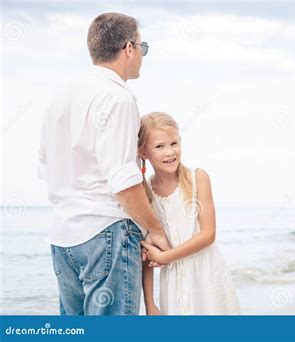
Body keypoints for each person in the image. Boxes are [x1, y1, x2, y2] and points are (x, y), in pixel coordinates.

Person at [37, 13, 170, 315]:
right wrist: (156, 229)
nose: (141, 56)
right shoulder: (118, 98)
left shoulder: (59, 96)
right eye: (142, 47)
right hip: (106, 231)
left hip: (63, 237)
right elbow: (123, 182)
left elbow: (46, 165)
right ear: (128, 48)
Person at [138, 112, 240, 315]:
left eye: (174, 143)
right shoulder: (146, 191)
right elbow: (147, 253)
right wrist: (150, 303)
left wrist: (166, 257)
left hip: (206, 275)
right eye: (159, 146)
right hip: (173, 283)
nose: (169, 152)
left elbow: (208, 234)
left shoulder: (197, 178)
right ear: (143, 152)